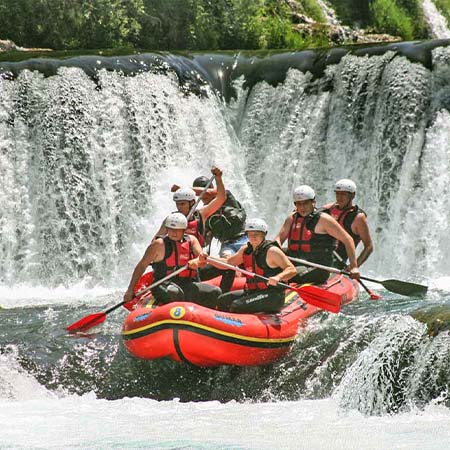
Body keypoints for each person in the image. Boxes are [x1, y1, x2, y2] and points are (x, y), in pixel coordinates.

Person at [123, 212, 221, 308]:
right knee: (175, 293)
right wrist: (130, 290)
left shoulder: (192, 241)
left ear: (184, 230)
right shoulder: (158, 245)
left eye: (177, 230)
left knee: (215, 292)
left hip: (186, 283)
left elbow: (202, 259)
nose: (173, 233)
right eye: (171, 229)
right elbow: (141, 266)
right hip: (163, 284)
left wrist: (198, 262)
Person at [275, 185, 360, 284]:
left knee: (289, 274)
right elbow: (278, 240)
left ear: (313, 202)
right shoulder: (291, 218)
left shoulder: (324, 219)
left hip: (317, 266)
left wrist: (354, 267)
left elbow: (348, 239)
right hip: (295, 261)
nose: (302, 207)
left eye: (305, 203)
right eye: (298, 204)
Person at [208, 218, 297, 314]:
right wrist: (207, 259)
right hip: (253, 292)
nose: (253, 237)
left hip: (272, 295)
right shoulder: (246, 250)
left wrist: (278, 277)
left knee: (236, 306)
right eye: (250, 234)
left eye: (256, 234)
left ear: (264, 234)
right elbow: (228, 263)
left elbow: (292, 269)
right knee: (222, 300)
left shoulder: (272, 251)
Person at [154, 167, 226, 245]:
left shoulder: (201, 214)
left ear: (192, 203)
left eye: (182, 204)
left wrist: (218, 178)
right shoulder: (171, 219)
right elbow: (155, 241)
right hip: (178, 255)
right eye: (177, 204)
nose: (179, 207)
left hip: (196, 255)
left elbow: (221, 198)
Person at [321, 179, 373, 269]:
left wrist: (354, 266)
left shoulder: (358, 217)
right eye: (337, 194)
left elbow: (369, 246)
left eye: (343, 194)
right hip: (319, 255)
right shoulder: (330, 208)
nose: (339, 197)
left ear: (352, 195)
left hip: (337, 262)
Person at [190, 175, 248, 257]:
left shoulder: (226, 196)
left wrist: (184, 190)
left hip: (245, 238)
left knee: (250, 256)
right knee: (226, 258)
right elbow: (206, 240)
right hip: (227, 245)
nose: (203, 196)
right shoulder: (204, 213)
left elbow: (208, 192)